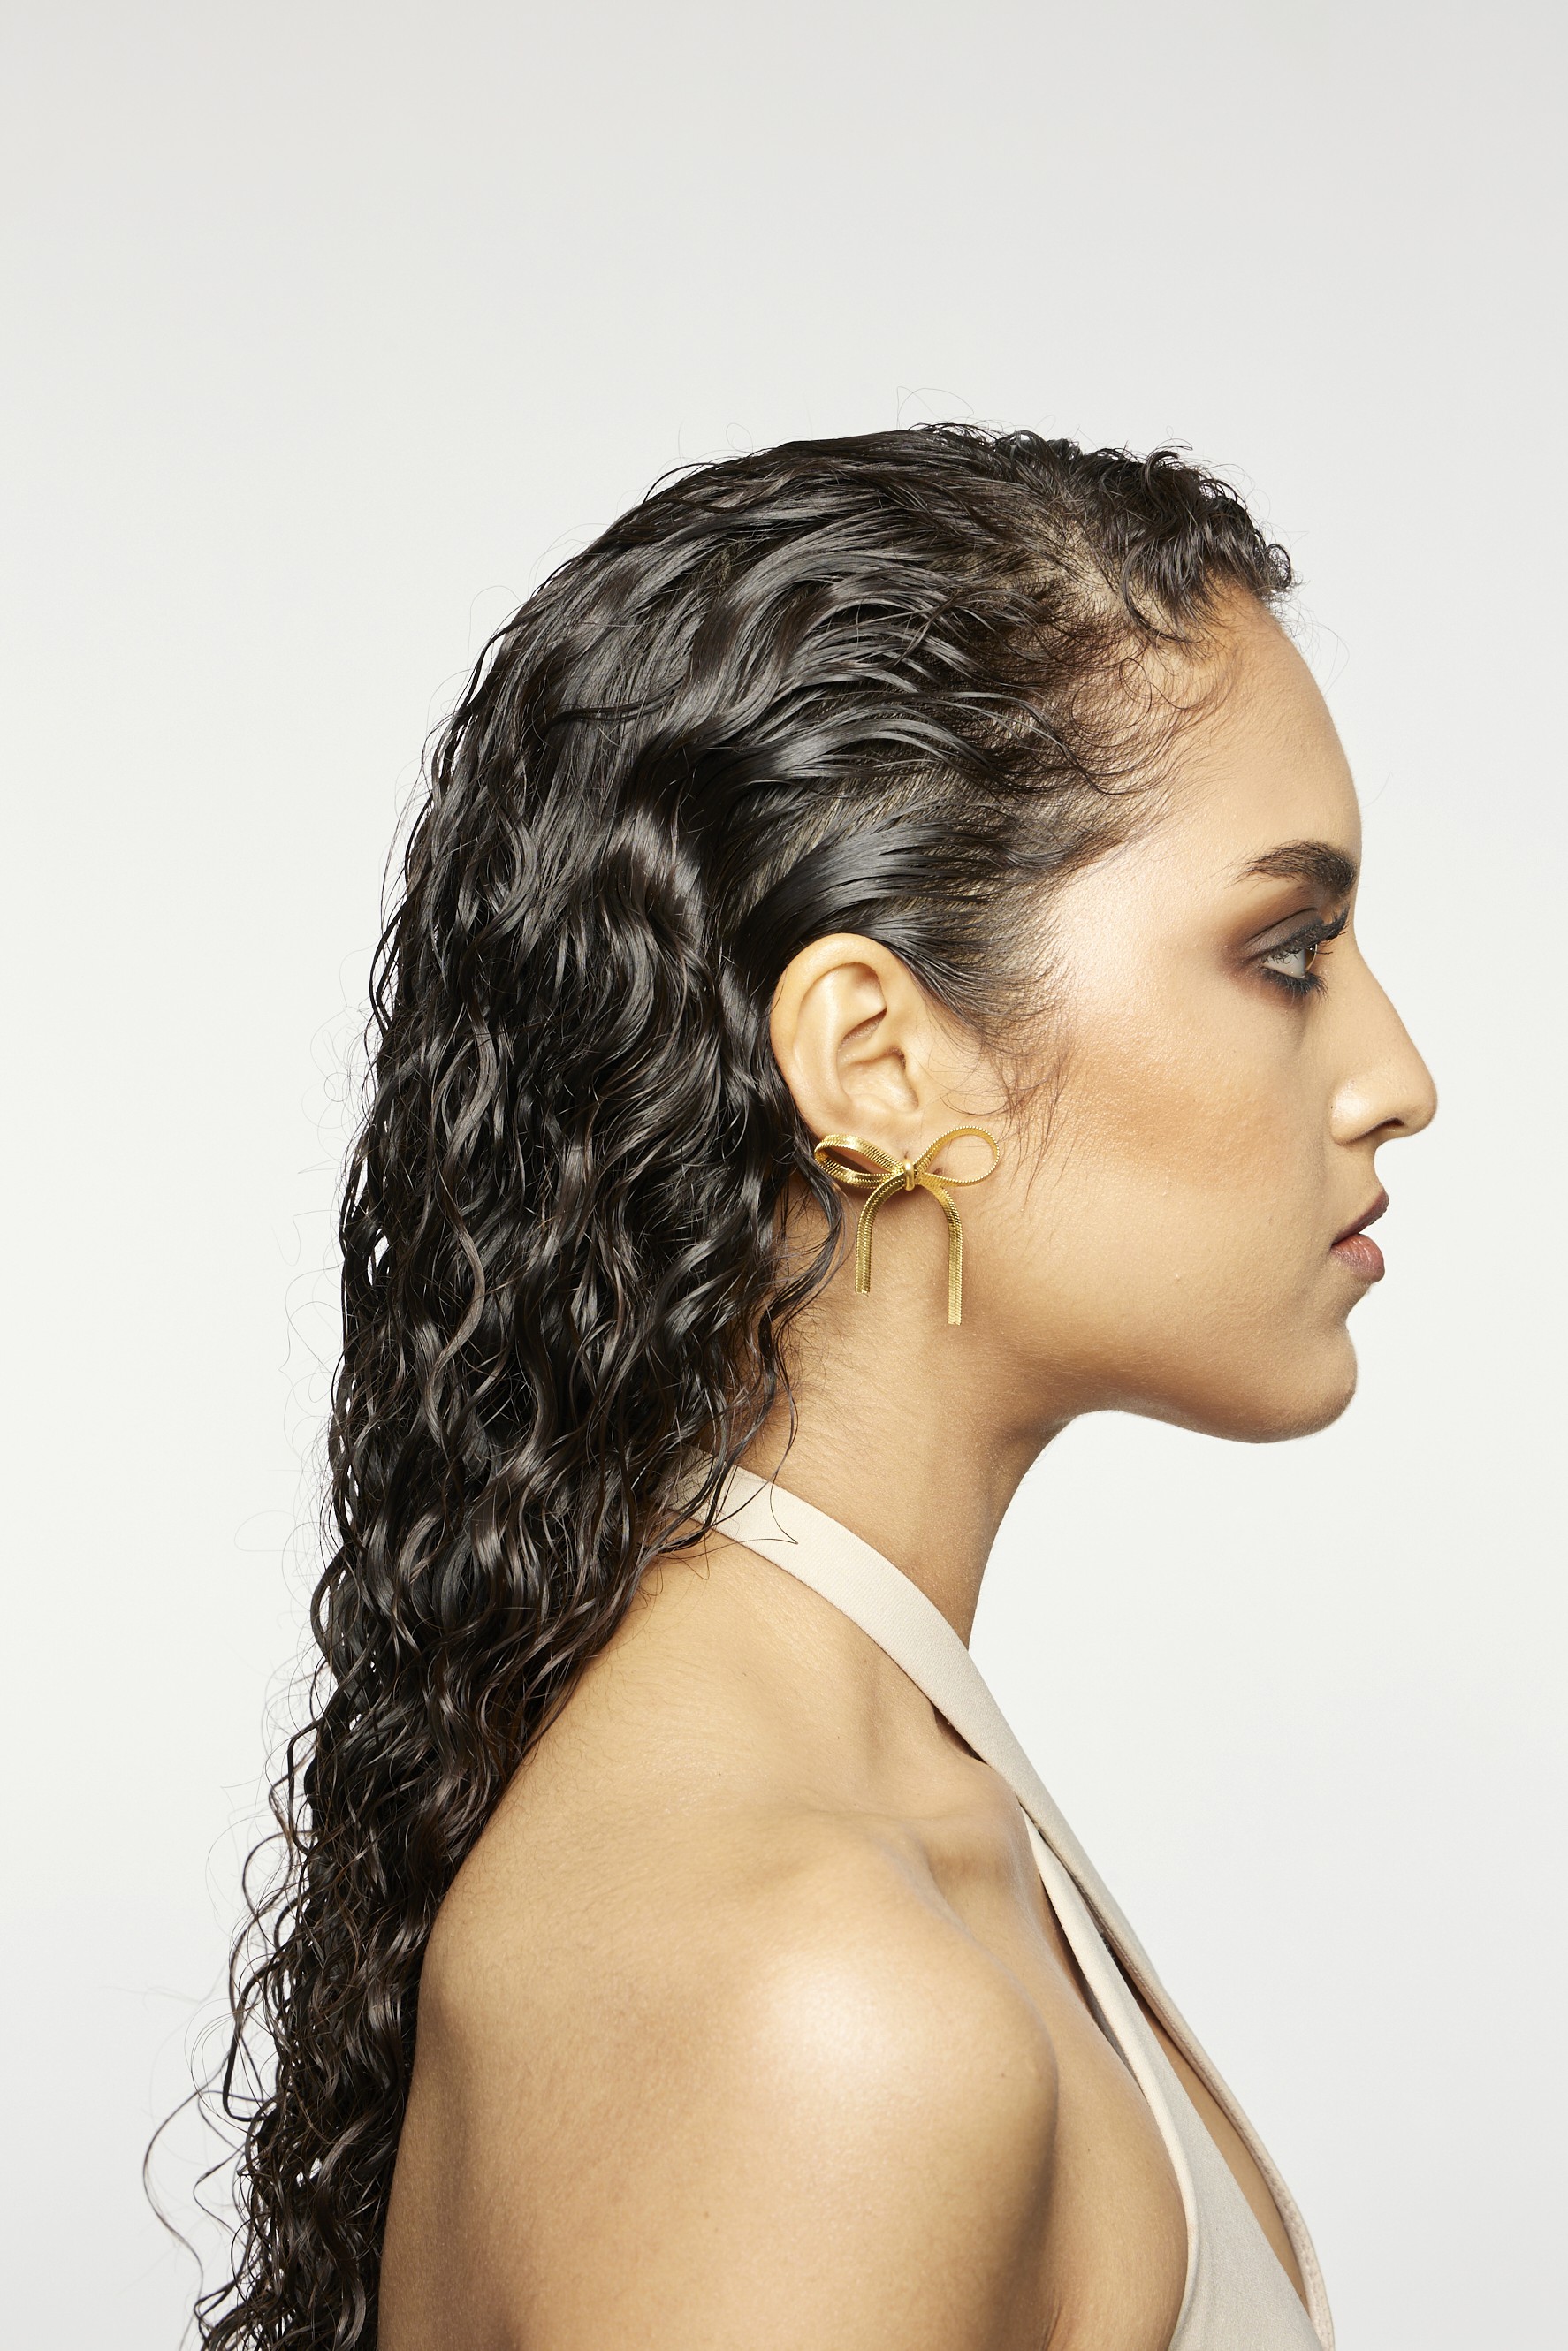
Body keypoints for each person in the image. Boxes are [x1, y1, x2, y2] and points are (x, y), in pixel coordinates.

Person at [199, 427, 1435, 2350]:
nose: (1394, 1075)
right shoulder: (803, 1988)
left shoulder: (858, 1826)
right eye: (1283, 951)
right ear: (874, 1061)